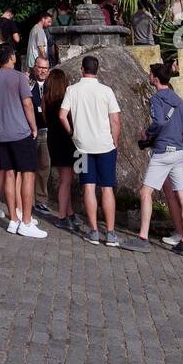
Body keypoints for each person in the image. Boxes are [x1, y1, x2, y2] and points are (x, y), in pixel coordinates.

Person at [126, 62, 183, 253]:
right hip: (178, 151)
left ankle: (143, 237)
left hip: (162, 152)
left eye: (150, 74)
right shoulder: (179, 100)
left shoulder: (156, 99)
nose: (148, 76)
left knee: (145, 193)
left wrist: (148, 134)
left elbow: (160, 121)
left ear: (155, 78)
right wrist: (180, 144)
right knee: (182, 195)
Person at [0, 44, 46, 239]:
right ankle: (26, 221)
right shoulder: (19, 77)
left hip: (3, 133)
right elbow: (27, 103)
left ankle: (13, 219)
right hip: (20, 132)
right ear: (11, 56)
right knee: (28, 175)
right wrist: (34, 126)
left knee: (9, 174)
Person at [60, 55, 122, 246]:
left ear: (81, 70)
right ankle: (110, 233)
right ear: (98, 70)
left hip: (81, 146)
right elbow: (115, 120)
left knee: (88, 186)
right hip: (105, 145)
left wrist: (72, 132)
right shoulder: (106, 91)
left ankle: (94, 230)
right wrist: (115, 140)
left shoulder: (72, 90)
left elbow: (62, 115)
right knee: (107, 188)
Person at [43, 66, 77, 229]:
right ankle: (62, 216)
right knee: (66, 181)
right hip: (68, 141)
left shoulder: (46, 99)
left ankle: (70, 213)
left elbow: (45, 118)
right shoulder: (65, 100)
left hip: (53, 140)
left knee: (66, 180)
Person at [28, 56, 53, 215]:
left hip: (46, 131)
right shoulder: (27, 83)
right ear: (34, 67)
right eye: (40, 67)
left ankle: (41, 200)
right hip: (30, 131)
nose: (43, 71)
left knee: (45, 167)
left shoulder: (52, 86)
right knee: (28, 168)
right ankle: (26, 199)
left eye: (45, 68)